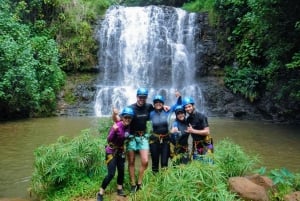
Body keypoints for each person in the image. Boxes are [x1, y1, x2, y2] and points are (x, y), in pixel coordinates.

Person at [112, 88, 154, 193]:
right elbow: (119, 120)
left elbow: (158, 111)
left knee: (145, 161)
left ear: (146, 97)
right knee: (131, 161)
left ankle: (139, 182)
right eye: (140, 97)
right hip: (131, 137)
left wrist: (165, 108)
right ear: (137, 96)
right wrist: (114, 114)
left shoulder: (149, 107)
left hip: (143, 137)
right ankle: (133, 185)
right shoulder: (131, 108)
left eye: (144, 97)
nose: (142, 99)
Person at [97, 107, 135, 201]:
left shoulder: (128, 126)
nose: (127, 119)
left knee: (121, 171)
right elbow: (109, 139)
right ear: (122, 117)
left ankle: (119, 189)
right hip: (111, 151)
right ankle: (100, 192)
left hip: (121, 151)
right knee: (111, 174)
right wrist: (114, 130)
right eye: (126, 117)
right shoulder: (117, 125)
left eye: (129, 118)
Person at [182, 97, 214, 161]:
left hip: (207, 143)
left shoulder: (201, 116)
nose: (188, 109)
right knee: (198, 162)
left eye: (189, 106)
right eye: (186, 107)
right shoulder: (188, 119)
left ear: (193, 106)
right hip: (197, 144)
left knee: (209, 162)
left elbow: (207, 132)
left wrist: (193, 131)